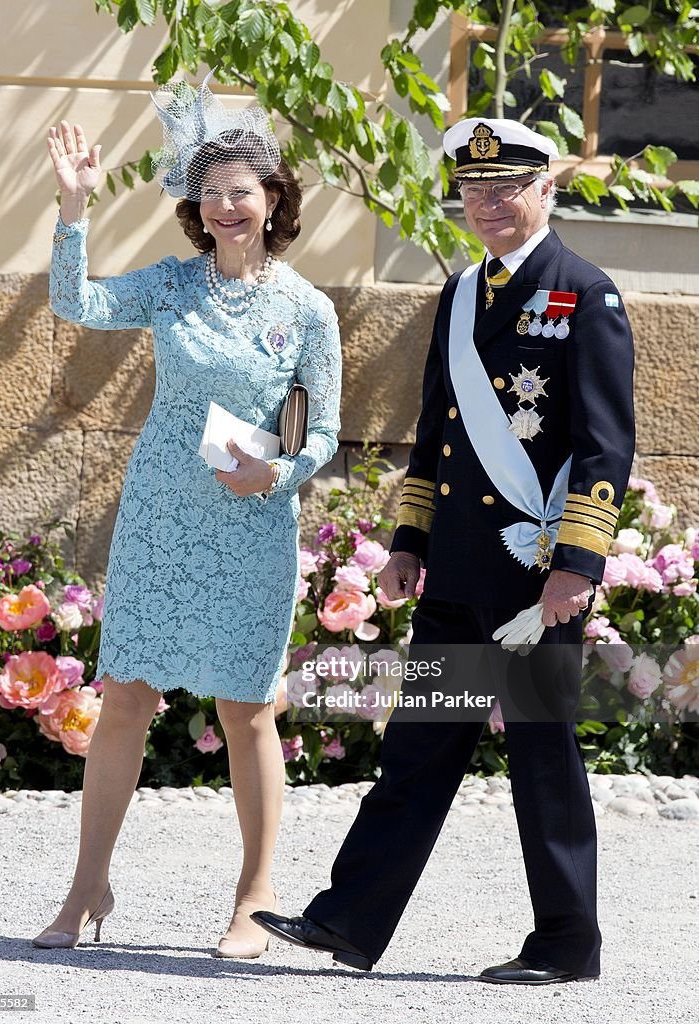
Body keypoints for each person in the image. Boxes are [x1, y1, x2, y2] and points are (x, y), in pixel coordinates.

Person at [253, 118, 635, 983]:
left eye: (506, 188)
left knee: (544, 760)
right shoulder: (462, 295)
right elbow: (437, 433)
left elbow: (607, 443)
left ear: (546, 188)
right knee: (418, 750)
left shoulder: (586, 293)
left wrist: (578, 564)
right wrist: (408, 539)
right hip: (459, 569)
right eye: (473, 191)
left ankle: (566, 946)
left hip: (534, 575)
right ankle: (348, 922)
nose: (489, 205)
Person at [32, 78, 341, 958]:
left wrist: (277, 472)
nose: (222, 207)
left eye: (239, 192)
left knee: (247, 708)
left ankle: (254, 899)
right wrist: (73, 207)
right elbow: (75, 305)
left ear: (272, 199)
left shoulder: (307, 309)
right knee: (126, 697)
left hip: (251, 527)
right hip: (160, 521)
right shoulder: (171, 286)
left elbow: (320, 428)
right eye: (208, 194)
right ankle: (87, 887)